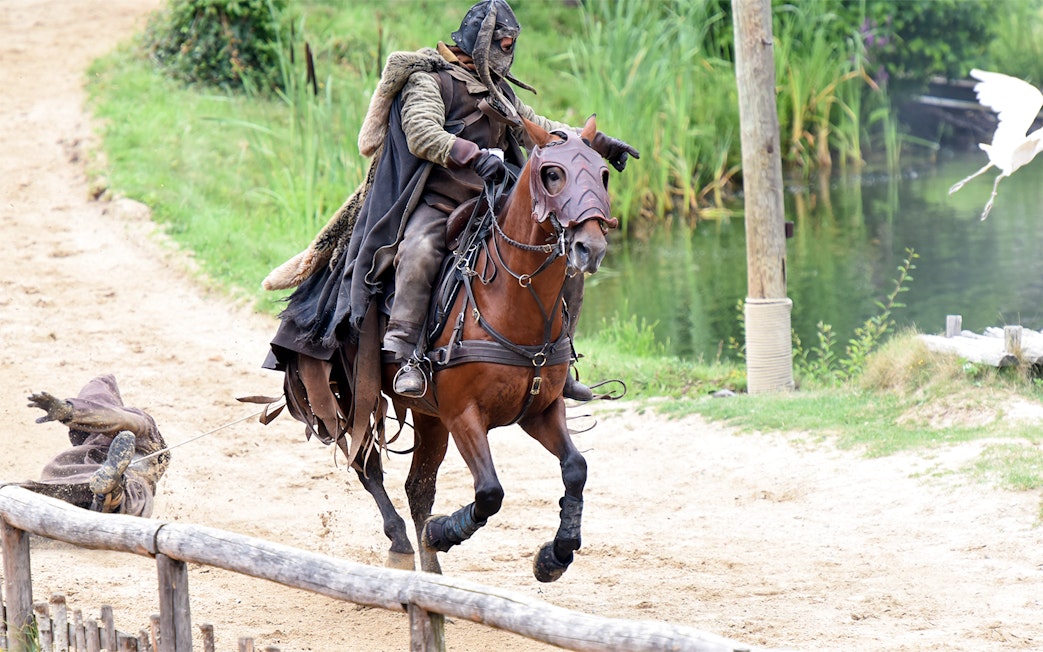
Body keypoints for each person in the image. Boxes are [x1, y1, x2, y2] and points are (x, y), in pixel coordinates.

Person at [262, 0, 638, 401]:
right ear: (481, 43)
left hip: (495, 204)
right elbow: (422, 133)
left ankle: (563, 359)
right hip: (438, 201)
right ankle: (405, 352)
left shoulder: (499, 90)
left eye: (511, 45)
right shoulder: (429, 80)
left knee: (561, 257)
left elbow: (541, 129)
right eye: (503, 44)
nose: (508, 53)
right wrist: (473, 155)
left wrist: (591, 139)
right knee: (420, 251)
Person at [18, 374, 169, 517]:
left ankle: (112, 492)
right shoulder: (88, 445)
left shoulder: (140, 423)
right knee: (63, 481)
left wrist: (70, 412)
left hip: (130, 486)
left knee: (129, 488)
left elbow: (119, 420)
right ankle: (104, 494)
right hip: (84, 484)